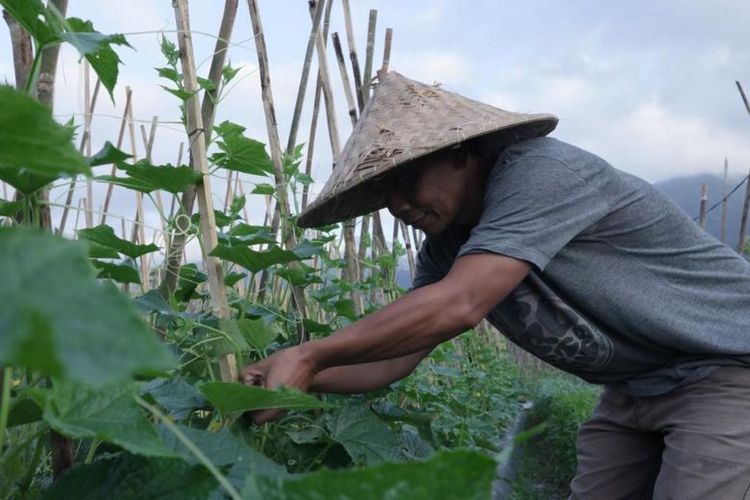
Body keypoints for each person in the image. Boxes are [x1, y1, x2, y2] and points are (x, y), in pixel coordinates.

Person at [241, 71, 750, 499]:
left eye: (405, 179)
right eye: (383, 192)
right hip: (634, 387)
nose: (397, 205)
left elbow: (459, 305)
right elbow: (398, 355)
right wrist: (301, 379)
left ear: (459, 153)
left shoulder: (541, 173)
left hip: (726, 367)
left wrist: (309, 355)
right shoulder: (449, 243)